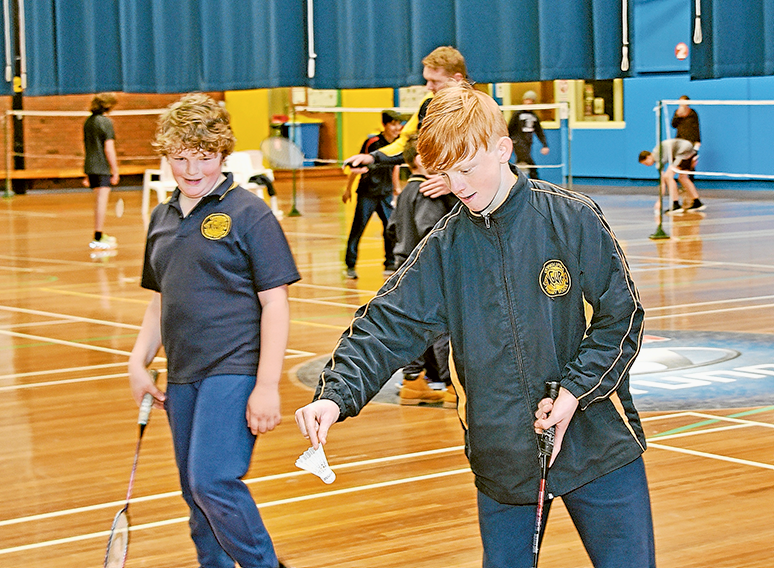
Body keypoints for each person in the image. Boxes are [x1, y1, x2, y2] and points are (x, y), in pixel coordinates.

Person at [296, 83, 655, 568]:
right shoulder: (445, 248)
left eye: (466, 169)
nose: (458, 185)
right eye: (444, 174)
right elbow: (385, 325)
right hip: (503, 452)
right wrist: (334, 394)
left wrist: (572, 393)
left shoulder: (571, 218)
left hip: (598, 443)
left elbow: (622, 317)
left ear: (503, 149)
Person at [128, 93, 299, 568]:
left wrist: (266, 386)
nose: (191, 170)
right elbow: (159, 298)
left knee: (213, 480)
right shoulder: (161, 218)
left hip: (236, 365)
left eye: (203, 157)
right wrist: (137, 360)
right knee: (195, 495)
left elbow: (276, 303)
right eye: (180, 158)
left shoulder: (250, 214)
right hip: (183, 373)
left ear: (222, 154)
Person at [386, 134, 458, 407]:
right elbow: (432, 233)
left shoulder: (405, 191)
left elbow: (392, 228)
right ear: (420, 160)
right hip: (425, 270)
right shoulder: (428, 192)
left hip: (402, 264)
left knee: (414, 328)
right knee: (443, 330)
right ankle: (453, 385)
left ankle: (413, 381)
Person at [343, 46, 467, 200]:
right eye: (427, 80)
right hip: (436, 193)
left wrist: (455, 181)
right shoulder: (428, 103)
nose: (428, 87)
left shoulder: (479, 110)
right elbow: (409, 143)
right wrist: (373, 158)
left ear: (457, 79)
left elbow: (489, 160)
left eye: (435, 81)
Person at [342, 110, 403, 279]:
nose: (397, 128)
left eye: (399, 124)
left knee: (391, 229)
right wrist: (348, 189)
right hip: (367, 193)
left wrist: (396, 188)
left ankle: (390, 263)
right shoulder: (372, 142)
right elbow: (357, 165)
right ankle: (350, 265)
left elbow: (395, 166)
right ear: (385, 125)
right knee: (357, 229)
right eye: (393, 124)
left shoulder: (398, 144)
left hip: (385, 195)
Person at [83, 92, 120, 250]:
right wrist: (115, 170)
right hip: (101, 167)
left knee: (98, 201)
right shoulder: (105, 122)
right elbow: (109, 148)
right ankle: (98, 236)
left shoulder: (88, 122)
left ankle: (98, 233)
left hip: (90, 166)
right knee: (101, 202)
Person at [638, 138, 705, 214]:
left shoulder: (658, 154)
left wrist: (659, 201)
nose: (647, 166)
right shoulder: (658, 157)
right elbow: (662, 183)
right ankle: (697, 202)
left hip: (683, 151)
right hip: (687, 150)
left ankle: (675, 204)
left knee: (668, 176)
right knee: (683, 178)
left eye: (646, 163)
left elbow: (663, 181)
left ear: (648, 157)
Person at [507, 90, 549, 180]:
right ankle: (536, 182)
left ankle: (514, 180)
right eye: (527, 100)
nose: (528, 102)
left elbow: (539, 131)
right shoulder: (517, 114)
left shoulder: (534, 116)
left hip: (528, 143)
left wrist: (545, 145)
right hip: (518, 143)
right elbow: (510, 128)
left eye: (531, 100)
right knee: (530, 163)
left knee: (520, 163)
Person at [672, 95, 701, 180]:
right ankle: (681, 180)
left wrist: (697, 141)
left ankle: (690, 180)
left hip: (691, 140)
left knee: (691, 160)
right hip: (680, 139)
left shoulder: (693, 113)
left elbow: (696, 127)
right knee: (679, 160)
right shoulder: (677, 112)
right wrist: (678, 116)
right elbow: (673, 124)